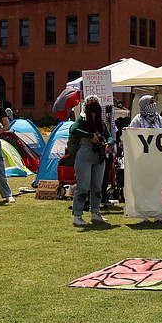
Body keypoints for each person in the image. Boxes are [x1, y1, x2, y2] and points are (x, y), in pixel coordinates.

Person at [69, 96, 113, 226]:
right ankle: (77, 215)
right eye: (91, 103)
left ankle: (95, 213)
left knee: (97, 187)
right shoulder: (82, 119)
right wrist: (90, 135)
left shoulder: (101, 121)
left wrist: (109, 144)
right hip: (84, 155)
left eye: (96, 103)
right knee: (82, 187)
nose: (94, 105)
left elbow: (109, 136)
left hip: (99, 156)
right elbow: (74, 129)